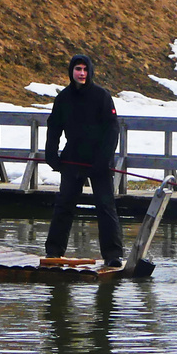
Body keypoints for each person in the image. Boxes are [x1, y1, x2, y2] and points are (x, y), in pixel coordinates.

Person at [43, 53, 124, 267]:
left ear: (90, 72)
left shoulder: (102, 96)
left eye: (85, 70)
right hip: (73, 159)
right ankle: (53, 251)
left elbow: (112, 130)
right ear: (71, 72)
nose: (81, 73)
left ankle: (113, 254)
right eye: (78, 69)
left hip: (99, 161)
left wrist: (103, 160)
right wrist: (51, 154)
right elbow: (54, 126)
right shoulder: (63, 98)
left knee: (105, 206)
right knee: (64, 205)